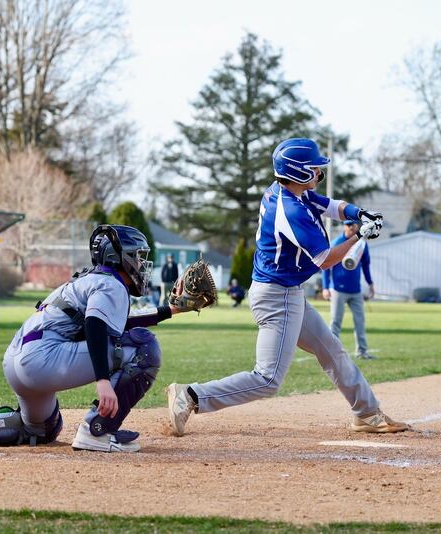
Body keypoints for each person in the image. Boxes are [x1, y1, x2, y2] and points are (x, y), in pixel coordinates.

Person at [166, 138, 409, 435]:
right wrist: (358, 238)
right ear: (300, 173)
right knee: (267, 379)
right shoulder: (291, 210)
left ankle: (367, 414)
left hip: (286, 292)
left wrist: (359, 215)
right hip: (276, 297)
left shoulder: (290, 192)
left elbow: (333, 206)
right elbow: (324, 259)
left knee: (331, 351)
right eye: (314, 169)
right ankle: (190, 395)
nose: (319, 173)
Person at [0, 224, 189, 452]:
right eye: (138, 256)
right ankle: (99, 432)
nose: (142, 264)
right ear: (120, 257)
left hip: (17, 361)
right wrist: (103, 381)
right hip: (43, 360)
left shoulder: (89, 281)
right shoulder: (112, 285)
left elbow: (116, 323)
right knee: (144, 347)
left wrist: (172, 310)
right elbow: (96, 324)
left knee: (42, 430)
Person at [322, 220, 377, 360]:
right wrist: (325, 287)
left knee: (360, 321)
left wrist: (370, 283)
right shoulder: (337, 242)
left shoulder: (361, 244)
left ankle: (362, 352)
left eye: (354, 224)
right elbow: (326, 266)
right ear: (344, 226)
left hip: (356, 290)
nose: (352, 227)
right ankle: (331, 353)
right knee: (335, 322)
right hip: (338, 290)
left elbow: (366, 265)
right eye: (348, 224)